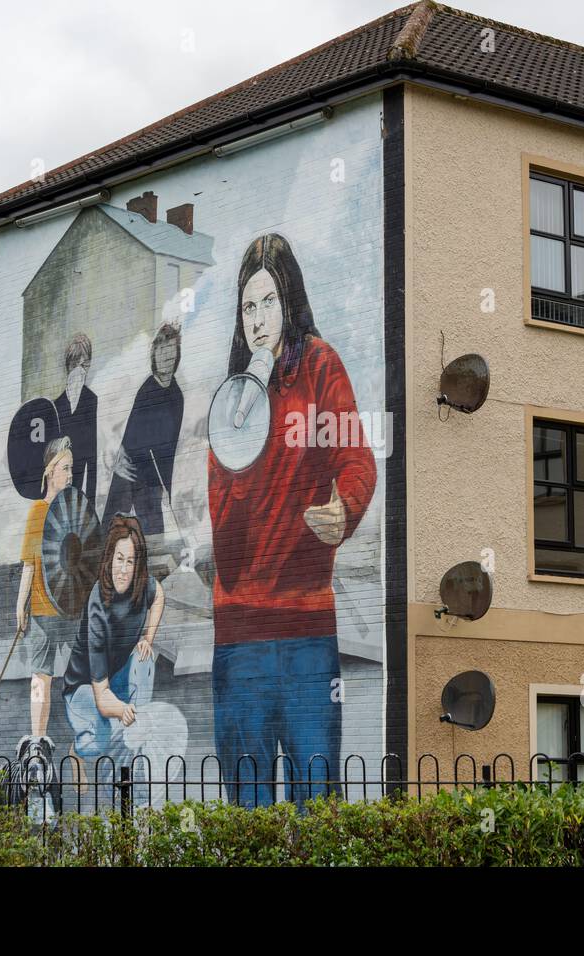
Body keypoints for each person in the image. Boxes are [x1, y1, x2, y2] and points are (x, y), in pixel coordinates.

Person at [207, 233, 377, 809]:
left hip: (306, 628)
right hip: (239, 636)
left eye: (269, 302)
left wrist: (345, 508)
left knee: (317, 805)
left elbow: (356, 457)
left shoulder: (319, 366)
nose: (258, 320)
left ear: (291, 300)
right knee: (247, 811)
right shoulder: (230, 399)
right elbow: (226, 538)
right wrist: (242, 426)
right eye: (247, 307)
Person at [63, 515, 165, 789]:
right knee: (101, 741)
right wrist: (122, 711)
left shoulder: (142, 586)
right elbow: (102, 698)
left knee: (144, 659)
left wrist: (148, 637)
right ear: (109, 559)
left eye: (130, 561)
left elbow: (159, 596)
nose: (123, 569)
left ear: (137, 565)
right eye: (119, 559)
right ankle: (77, 749)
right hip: (85, 687)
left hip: (116, 676)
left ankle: (135, 749)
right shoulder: (98, 607)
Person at [16, 436, 77, 747]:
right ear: (51, 471)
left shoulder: (75, 511)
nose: (70, 475)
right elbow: (29, 563)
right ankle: (38, 742)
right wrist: (20, 606)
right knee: (41, 677)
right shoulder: (37, 513)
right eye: (65, 468)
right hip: (41, 610)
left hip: (70, 610)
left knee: (79, 673)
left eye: (72, 469)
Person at [103, 321, 185, 538]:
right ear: (154, 355)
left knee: (154, 536)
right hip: (130, 470)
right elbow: (130, 437)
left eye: (171, 349)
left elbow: (171, 448)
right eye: (161, 350)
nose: (166, 355)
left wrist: (166, 485)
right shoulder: (147, 389)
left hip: (153, 478)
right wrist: (120, 461)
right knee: (112, 528)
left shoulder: (177, 396)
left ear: (177, 356)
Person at [54, 333, 98, 506]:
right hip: (58, 485)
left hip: (78, 485)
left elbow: (92, 457)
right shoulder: (56, 406)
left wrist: (91, 502)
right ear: (68, 366)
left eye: (84, 365)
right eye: (75, 365)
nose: (80, 371)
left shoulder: (90, 400)